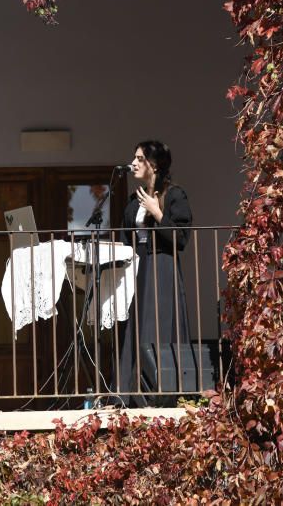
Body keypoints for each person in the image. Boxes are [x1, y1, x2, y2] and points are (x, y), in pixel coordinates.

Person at [115, 140, 193, 405]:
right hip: (138, 267)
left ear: (154, 164)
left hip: (161, 267)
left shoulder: (174, 195)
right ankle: (131, 394)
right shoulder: (134, 198)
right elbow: (127, 236)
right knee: (136, 327)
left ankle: (162, 396)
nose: (134, 163)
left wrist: (157, 212)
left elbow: (181, 238)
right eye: (134, 157)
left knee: (159, 326)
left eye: (140, 158)